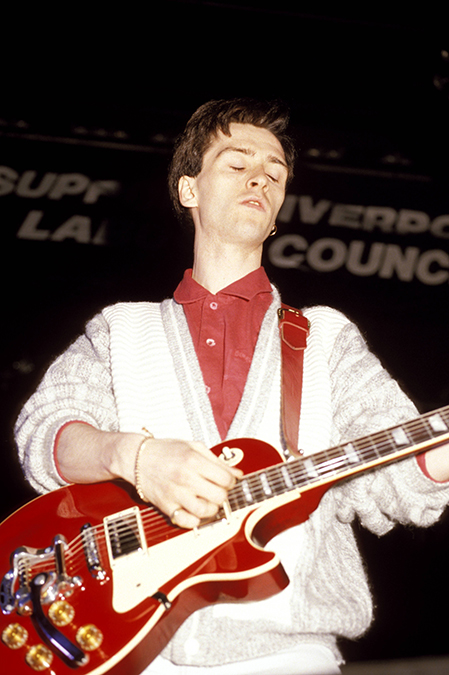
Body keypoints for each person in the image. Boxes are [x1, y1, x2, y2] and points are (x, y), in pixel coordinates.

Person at [14, 99, 449, 675]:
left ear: (275, 217)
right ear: (188, 191)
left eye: (274, 173)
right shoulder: (123, 327)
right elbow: (45, 434)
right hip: (125, 643)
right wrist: (136, 457)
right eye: (237, 163)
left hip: (289, 650)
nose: (260, 177)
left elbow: (401, 480)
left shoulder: (326, 338)